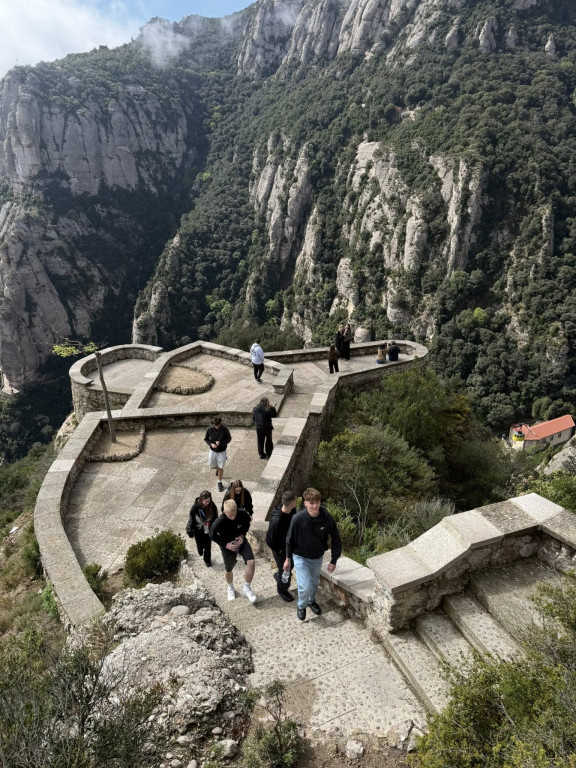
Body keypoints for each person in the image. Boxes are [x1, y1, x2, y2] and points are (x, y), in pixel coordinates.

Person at [285, 487, 341, 621]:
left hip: (317, 557)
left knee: (314, 582)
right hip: (300, 556)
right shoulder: (297, 519)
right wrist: (287, 559)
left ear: (320, 502)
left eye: (317, 502)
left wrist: (334, 560)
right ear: (305, 503)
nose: (315, 506)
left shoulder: (327, 518)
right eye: (311, 503)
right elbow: (289, 539)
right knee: (304, 586)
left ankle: (311, 601)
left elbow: (336, 538)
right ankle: (301, 606)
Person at [210, 499, 257, 603]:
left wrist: (242, 536)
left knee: (251, 562)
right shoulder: (219, 521)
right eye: (229, 515)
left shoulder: (242, 513)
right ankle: (230, 587)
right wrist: (225, 544)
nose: (232, 517)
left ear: (236, 510)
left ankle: (247, 588)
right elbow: (212, 535)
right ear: (224, 512)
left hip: (241, 541)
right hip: (228, 545)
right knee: (228, 569)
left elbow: (247, 523)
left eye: (234, 514)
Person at [265, 490, 298, 602]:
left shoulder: (292, 510)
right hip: (279, 548)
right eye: (295, 500)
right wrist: (279, 551)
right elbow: (269, 540)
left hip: (288, 544)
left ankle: (279, 576)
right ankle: (282, 590)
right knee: (285, 569)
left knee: (290, 565)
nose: (297, 501)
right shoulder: (277, 521)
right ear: (291, 503)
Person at [186, 490, 217, 567]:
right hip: (198, 530)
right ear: (201, 500)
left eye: (209, 501)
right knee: (200, 545)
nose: (208, 503)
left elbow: (216, 516)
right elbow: (191, 519)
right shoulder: (195, 508)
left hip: (207, 528)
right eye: (206, 501)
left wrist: (214, 526)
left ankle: (207, 560)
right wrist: (189, 529)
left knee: (208, 545)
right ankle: (200, 549)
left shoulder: (212, 505)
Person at [204, 415, 231, 492]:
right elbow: (206, 439)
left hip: (222, 451)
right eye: (215, 425)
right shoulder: (209, 429)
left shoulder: (225, 429)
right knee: (211, 465)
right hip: (213, 450)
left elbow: (229, 439)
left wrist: (221, 443)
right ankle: (218, 468)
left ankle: (219, 481)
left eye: (218, 425)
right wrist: (211, 444)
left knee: (221, 467)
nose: (217, 427)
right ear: (213, 424)